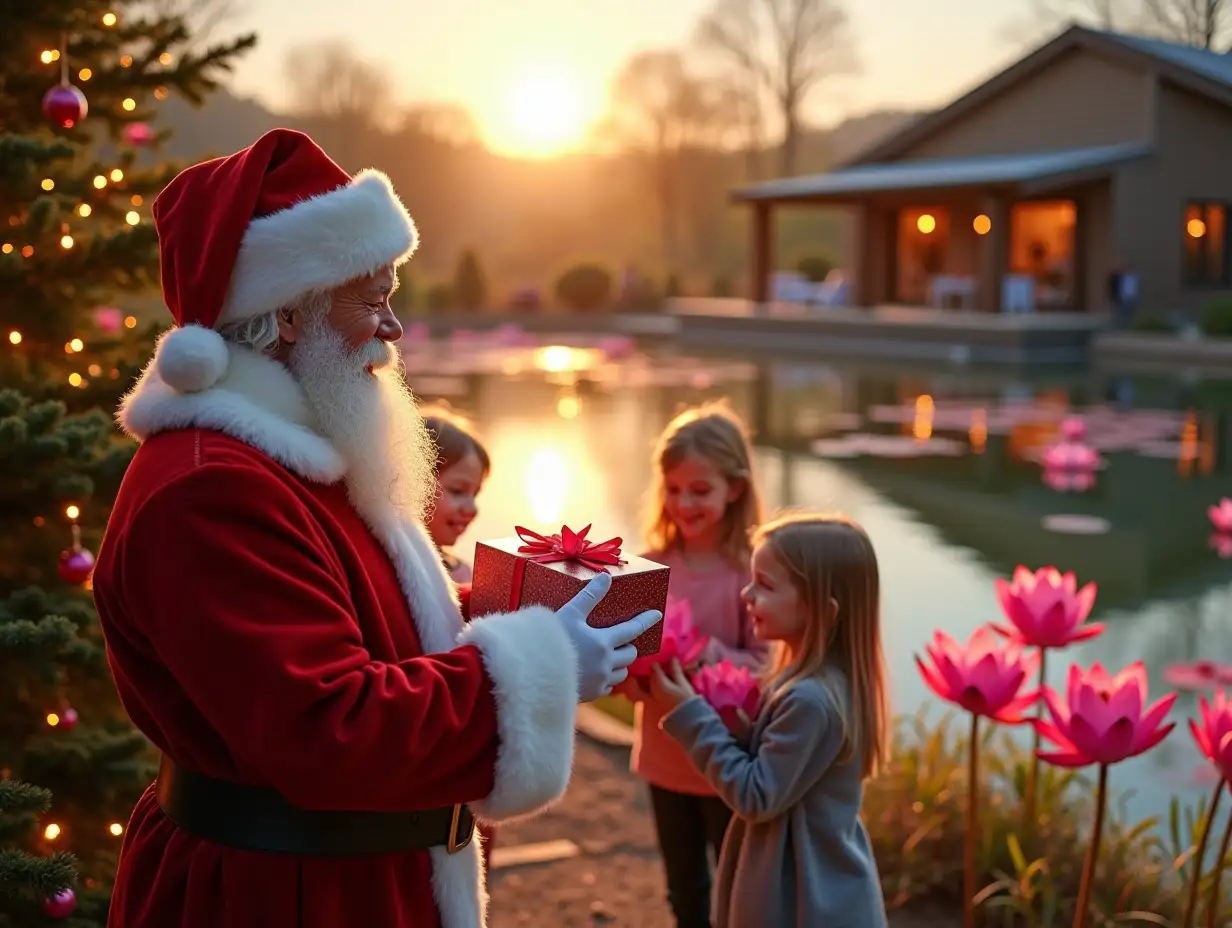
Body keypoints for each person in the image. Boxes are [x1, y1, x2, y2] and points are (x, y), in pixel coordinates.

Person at [90, 128, 661, 928]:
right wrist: (544, 665)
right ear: (287, 313)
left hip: (344, 878)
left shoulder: (298, 458)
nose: (392, 329)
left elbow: (354, 634)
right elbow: (330, 728)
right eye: (373, 297)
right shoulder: (209, 491)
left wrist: (514, 615)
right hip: (281, 898)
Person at [649, 513, 891, 928]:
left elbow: (756, 796)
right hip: (815, 890)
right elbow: (782, 775)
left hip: (804, 901)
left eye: (766, 585)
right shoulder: (824, 684)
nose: (747, 593)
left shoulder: (810, 699)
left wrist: (690, 715)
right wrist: (744, 733)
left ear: (822, 610)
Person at [615, 402, 768, 928]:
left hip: (728, 767)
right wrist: (631, 677)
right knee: (685, 891)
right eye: (673, 489)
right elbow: (630, 662)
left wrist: (701, 651)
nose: (684, 502)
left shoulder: (752, 571)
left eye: (699, 491)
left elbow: (769, 667)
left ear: (736, 489)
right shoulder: (649, 565)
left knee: (736, 892)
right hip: (664, 760)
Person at [422, 404, 489, 583]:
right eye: (458, 491)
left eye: (474, 494)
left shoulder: (463, 573)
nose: (472, 509)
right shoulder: (384, 569)